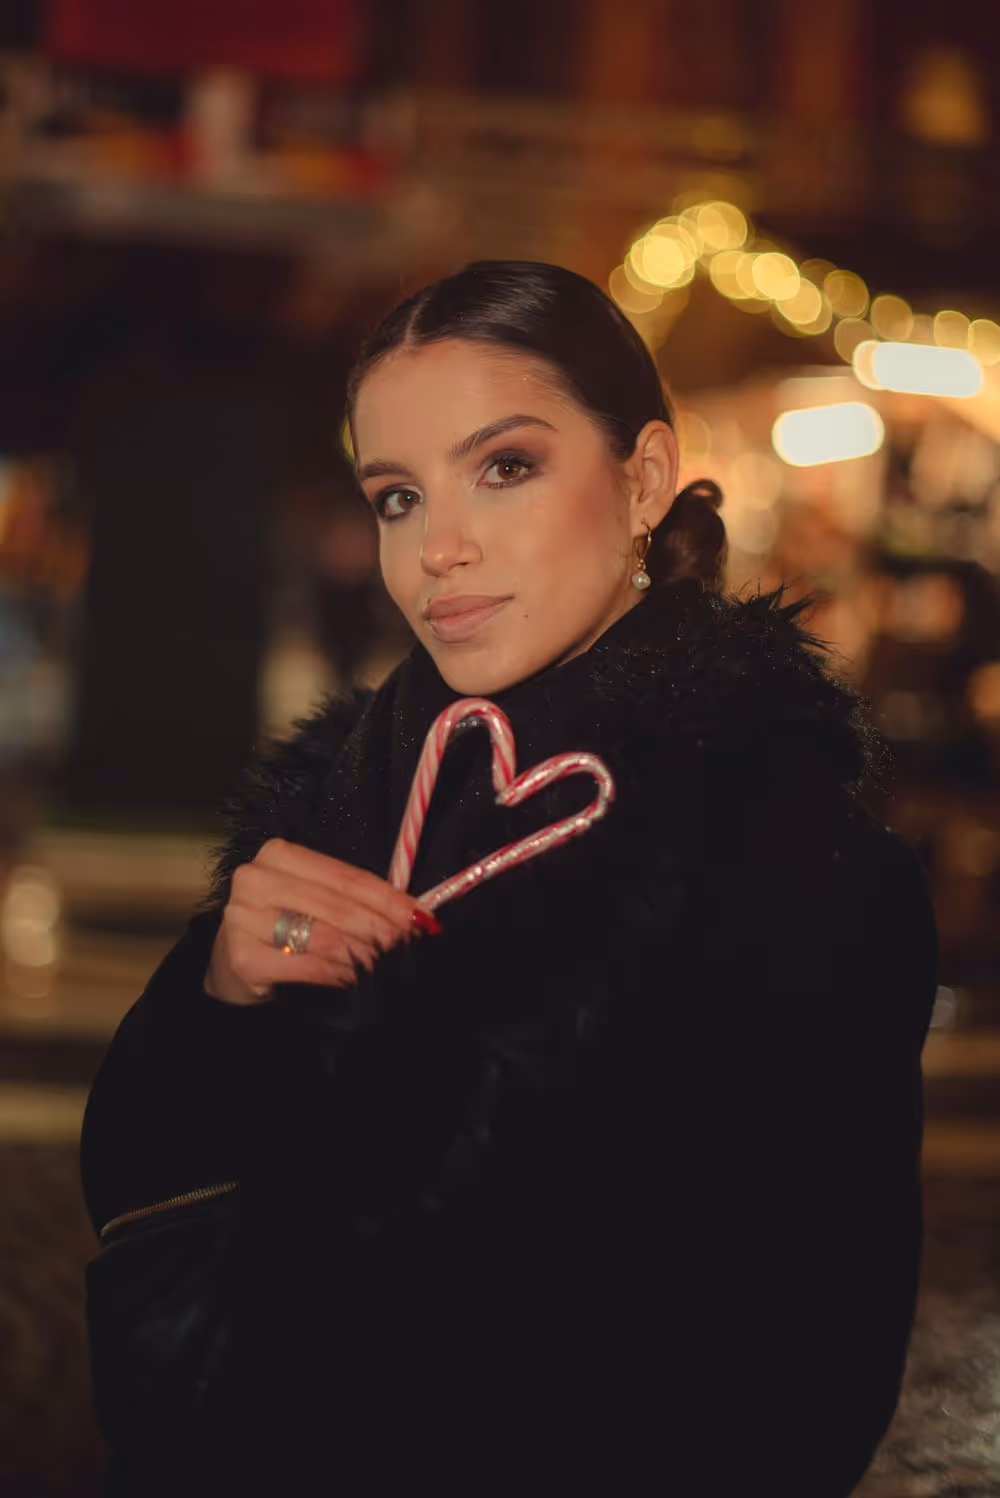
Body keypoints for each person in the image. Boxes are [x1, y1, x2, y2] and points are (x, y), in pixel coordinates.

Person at [80, 261, 938, 1498]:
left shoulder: (798, 876)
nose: (440, 547)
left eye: (505, 467)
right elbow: (138, 1186)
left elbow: (800, 1387)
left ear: (643, 477)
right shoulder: (335, 807)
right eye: (394, 496)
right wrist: (216, 997)